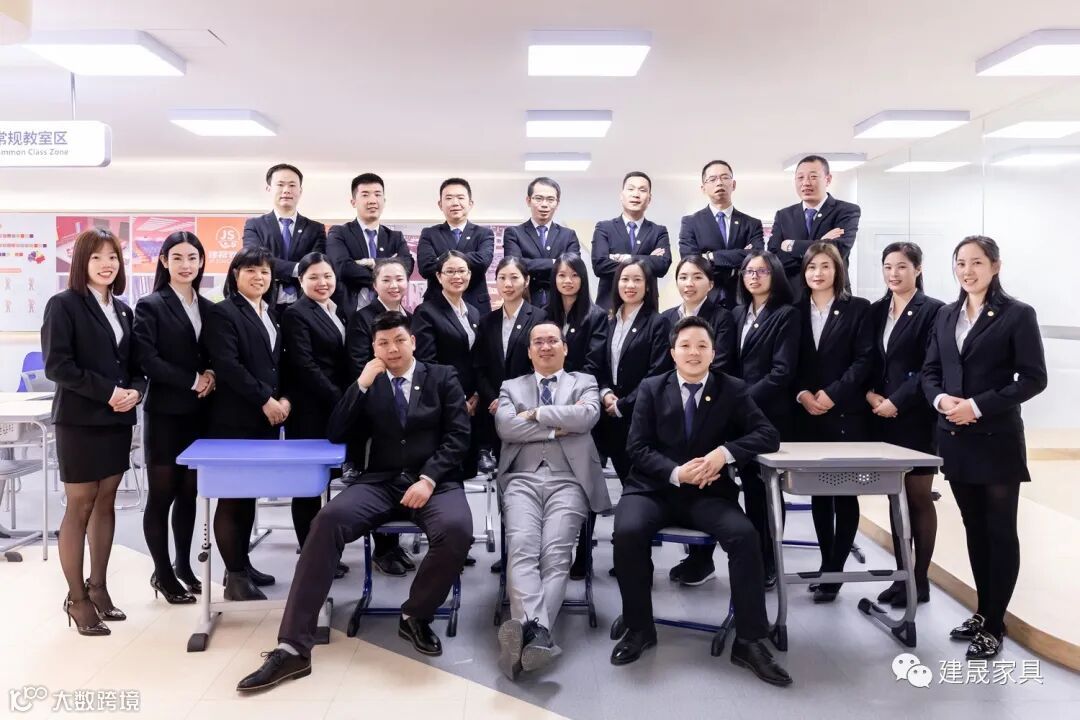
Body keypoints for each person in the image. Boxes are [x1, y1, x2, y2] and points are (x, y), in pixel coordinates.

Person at [236, 312, 473, 692]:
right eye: (383, 343)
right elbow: (336, 432)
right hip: (380, 482)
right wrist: (360, 385)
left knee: (457, 529)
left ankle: (415, 615)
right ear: (374, 348)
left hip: (434, 482)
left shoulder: (442, 377)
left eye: (399, 340)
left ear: (413, 341)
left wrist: (428, 478)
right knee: (326, 521)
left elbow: (459, 436)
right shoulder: (369, 382)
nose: (392, 349)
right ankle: (293, 646)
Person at [611, 316, 791, 687]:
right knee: (627, 531)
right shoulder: (651, 387)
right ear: (672, 352)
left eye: (702, 346)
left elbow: (768, 434)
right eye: (685, 346)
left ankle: (749, 640)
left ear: (713, 352)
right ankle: (639, 627)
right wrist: (677, 472)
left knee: (745, 536)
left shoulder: (732, 388)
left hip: (709, 493)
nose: (693, 353)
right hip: (654, 489)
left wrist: (723, 454)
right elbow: (637, 447)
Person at [922, 235, 1046, 659]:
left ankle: (995, 623)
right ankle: (983, 610)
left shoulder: (1017, 314)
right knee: (974, 529)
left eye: (977, 262)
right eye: (960, 262)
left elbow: (1033, 378)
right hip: (955, 437)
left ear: (995, 266)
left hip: (996, 440)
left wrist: (976, 406)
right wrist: (942, 401)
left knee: (1000, 531)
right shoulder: (946, 314)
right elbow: (930, 371)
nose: (967, 270)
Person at [670, 251, 798, 589]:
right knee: (724, 486)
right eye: (748, 271)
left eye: (762, 271)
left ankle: (768, 561)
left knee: (763, 491)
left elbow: (781, 372)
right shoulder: (738, 313)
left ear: (776, 274)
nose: (754, 277)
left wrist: (739, 400)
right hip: (733, 413)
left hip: (765, 412)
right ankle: (709, 559)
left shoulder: (786, 314)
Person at [42, 228, 146, 636]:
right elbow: (58, 366)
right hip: (80, 420)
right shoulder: (64, 304)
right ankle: (77, 599)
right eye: (97, 257)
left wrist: (135, 391)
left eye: (113, 257)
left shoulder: (123, 310)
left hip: (117, 420)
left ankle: (98, 587)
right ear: (81, 262)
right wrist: (109, 393)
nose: (107, 264)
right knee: (80, 505)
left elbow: (135, 366)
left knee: (107, 502)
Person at [494, 322, 610, 680]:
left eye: (552, 341)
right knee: (523, 547)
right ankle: (540, 634)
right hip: (521, 479)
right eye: (538, 342)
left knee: (556, 553)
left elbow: (587, 417)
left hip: (570, 479)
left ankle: (526, 633)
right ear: (529, 351)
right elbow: (506, 428)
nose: (545, 347)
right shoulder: (511, 386)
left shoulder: (584, 381)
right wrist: (558, 426)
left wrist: (536, 413)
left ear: (564, 347)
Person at [203, 246, 291, 601]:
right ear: (235, 274)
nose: (259, 277)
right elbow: (228, 365)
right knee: (232, 498)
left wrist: (283, 398)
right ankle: (235, 579)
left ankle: (241, 564)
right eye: (251, 270)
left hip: (263, 421)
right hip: (234, 420)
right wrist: (265, 399)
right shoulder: (224, 312)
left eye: (265, 271)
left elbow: (274, 365)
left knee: (248, 495)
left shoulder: (270, 312)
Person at [133, 231, 215, 603]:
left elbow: (214, 352)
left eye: (193, 258)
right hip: (166, 413)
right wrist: (193, 380)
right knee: (162, 495)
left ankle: (184, 565)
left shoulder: (209, 306)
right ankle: (162, 573)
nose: (186, 265)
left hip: (200, 414)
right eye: (178, 258)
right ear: (164, 261)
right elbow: (147, 359)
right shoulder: (150, 305)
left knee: (189, 493)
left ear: (201, 262)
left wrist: (211, 373)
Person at [794, 242, 874, 603]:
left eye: (825, 266)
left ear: (837, 270)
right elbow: (789, 361)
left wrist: (833, 394)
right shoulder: (794, 310)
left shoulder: (858, 309)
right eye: (812, 267)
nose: (818, 273)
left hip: (845, 414)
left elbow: (864, 360)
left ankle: (835, 569)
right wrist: (802, 394)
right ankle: (827, 564)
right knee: (820, 494)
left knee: (844, 492)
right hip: (808, 414)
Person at [866, 242, 945, 608]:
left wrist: (896, 401)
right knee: (893, 497)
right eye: (887, 267)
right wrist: (871, 395)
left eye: (901, 266)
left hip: (915, 417)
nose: (893, 274)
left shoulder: (934, 311)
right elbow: (869, 360)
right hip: (881, 417)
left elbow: (931, 367)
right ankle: (902, 577)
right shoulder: (877, 310)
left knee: (917, 497)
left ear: (918, 269)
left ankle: (920, 579)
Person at [280, 253, 354, 580]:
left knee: (324, 483)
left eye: (327, 276)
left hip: (332, 409)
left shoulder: (336, 309)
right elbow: (305, 365)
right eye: (313, 277)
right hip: (311, 410)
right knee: (308, 487)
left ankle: (322, 552)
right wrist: (342, 398)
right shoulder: (297, 313)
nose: (322, 283)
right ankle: (310, 555)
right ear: (300, 281)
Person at [342, 257, 415, 576]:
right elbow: (359, 362)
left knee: (401, 474)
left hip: (406, 410)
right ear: (374, 285)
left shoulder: (410, 317)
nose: (394, 285)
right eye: (386, 280)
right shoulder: (362, 318)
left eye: (399, 279)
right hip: (375, 411)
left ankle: (393, 545)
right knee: (379, 478)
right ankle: (383, 549)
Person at [545, 252, 608, 580]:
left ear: (583, 279)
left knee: (584, 481)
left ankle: (583, 553)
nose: (567, 281)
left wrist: (566, 393)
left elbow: (594, 364)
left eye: (573, 275)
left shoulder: (596, 316)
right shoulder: (545, 315)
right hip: (548, 407)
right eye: (561, 275)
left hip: (581, 406)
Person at [594, 261, 672, 486]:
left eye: (637, 280)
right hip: (611, 417)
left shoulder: (658, 323)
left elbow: (657, 372)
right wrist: (605, 392)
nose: (630, 285)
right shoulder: (608, 321)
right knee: (626, 481)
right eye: (625, 279)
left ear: (647, 286)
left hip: (641, 416)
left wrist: (624, 404)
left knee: (643, 484)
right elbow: (600, 364)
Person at [413, 251, 482, 480]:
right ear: (439, 276)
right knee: (446, 472)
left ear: (469, 274)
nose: (457, 276)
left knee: (469, 471)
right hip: (442, 400)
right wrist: (457, 398)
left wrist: (476, 394)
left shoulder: (473, 312)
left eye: (462, 271)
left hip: (472, 401)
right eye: (450, 271)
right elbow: (427, 362)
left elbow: (477, 358)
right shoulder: (426, 311)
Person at [474, 257, 546, 458]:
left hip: (528, 408)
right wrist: (494, 398)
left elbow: (541, 365)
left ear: (526, 280)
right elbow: (479, 367)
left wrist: (513, 400)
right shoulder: (487, 321)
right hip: (494, 409)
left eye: (514, 277)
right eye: (502, 278)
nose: (508, 284)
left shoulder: (540, 318)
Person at [678, 160, 765, 308]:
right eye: (712, 179)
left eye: (725, 177)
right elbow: (691, 262)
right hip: (706, 297)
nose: (719, 183)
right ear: (703, 188)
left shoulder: (751, 224)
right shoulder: (690, 222)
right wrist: (741, 255)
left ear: (733, 184)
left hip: (743, 297)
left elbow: (757, 257)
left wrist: (710, 257)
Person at [325, 173, 414, 315]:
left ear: (384, 200)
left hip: (389, 313)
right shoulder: (339, 233)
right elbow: (343, 269)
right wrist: (389, 269)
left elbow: (407, 266)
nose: (372, 200)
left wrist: (373, 262)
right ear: (353, 202)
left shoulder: (395, 237)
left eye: (377, 194)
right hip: (351, 313)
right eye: (365, 195)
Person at [242, 163, 328, 308]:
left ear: (300, 190)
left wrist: (276, 266)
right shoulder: (254, 225)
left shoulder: (315, 228)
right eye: (280, 185)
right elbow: (255, 260)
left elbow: (316, 265)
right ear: (269, 188)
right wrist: (298, 269)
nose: (286, 190)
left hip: (305, 304)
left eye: (292, 185)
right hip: (263, 302)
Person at [767, 155, 861, 281]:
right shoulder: (784, 215)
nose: (806, 183)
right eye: (800, 177)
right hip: (793, 291)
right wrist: (822, 243)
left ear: (828, 179)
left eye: (813, 177)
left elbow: (838, 249)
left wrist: (792, 245)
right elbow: (773, 259)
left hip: (832, 289)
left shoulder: (846, 211)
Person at [591, 172, 672, 310]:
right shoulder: (604, 228)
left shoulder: (658, 231)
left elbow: (662, 265)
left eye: (642, 190)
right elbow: (600, 265)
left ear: (649, 198)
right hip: (609, 307)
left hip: (646, 308)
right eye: (631, 189)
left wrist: (624, 258)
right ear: (621, 195)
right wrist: (647, 259)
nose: (636, 194)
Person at [417, 177, 495, 313]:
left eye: (460, 197)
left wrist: (442, 260)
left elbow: (483, 262)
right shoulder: (430, 233)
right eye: (449, 198)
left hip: (475, 304)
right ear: (440, 204)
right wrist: (468, 259)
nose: (455, 203)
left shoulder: (483, 233)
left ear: (470, 203)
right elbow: (426, 268)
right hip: (437, 306)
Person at [502, 177, 581, 307]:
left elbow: (573, 266)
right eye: (538, 198)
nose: (544, 204)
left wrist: (530, 264)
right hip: (525, 301)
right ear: (528, 201)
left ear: (557, 203)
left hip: (561, 303)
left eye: (550, 199)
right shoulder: (514, 233)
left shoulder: (568, 235)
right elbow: (515, 266)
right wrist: (555, 262)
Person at [660, 255, 737, 375]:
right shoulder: (666, 317)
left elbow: (719, 364)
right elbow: (661, 362)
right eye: (683, 277)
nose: (689, 283)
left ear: (710, 285)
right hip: (671, 384)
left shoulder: (723, 317)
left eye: (697, 277)